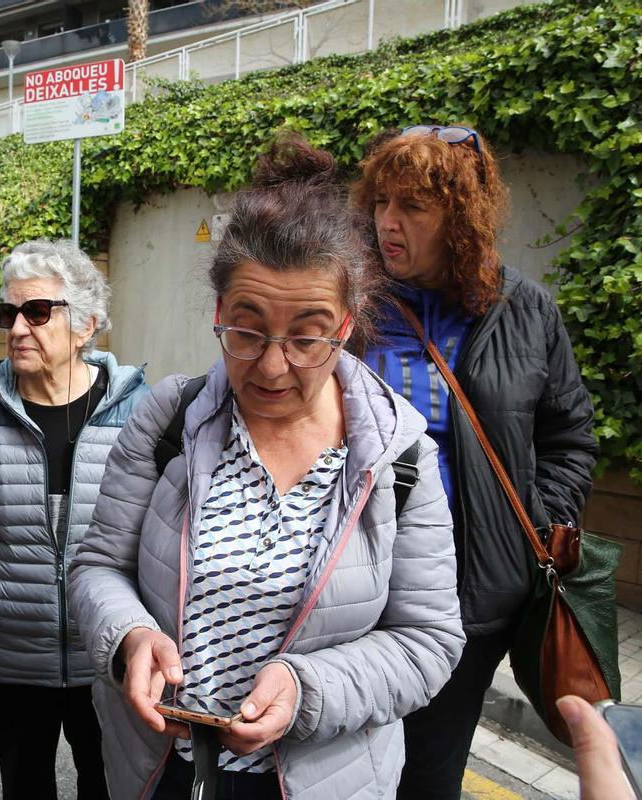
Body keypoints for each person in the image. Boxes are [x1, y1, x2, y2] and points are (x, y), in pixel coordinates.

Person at [68, 133, 464, 800]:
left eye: (308, 336)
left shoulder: (399, 458)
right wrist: (130, 636)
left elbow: (428, 641)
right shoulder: (167, 420)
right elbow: (97, 566)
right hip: (162, 768)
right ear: (219, 313)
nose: (274, 365)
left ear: (346, 325)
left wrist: (308, 689)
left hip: (324, 777)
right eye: (248, 331)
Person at [353, 125, 599, 800]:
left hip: (470, 602)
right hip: (350, 590)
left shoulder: (526, 310)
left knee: (429, 776)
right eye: (381, 203)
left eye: (412, 207)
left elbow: (569, 436)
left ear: (461, 216)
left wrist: (532, 525)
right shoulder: (353, 301)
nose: (388, 224)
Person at [0, 239, 148, 800]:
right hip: (10, 654)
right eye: (9, 313)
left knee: (108, 787)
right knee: (24, 787)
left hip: (107, 655)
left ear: (86, 325)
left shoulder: (139, 409)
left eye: (38, 311)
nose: (18, 328)